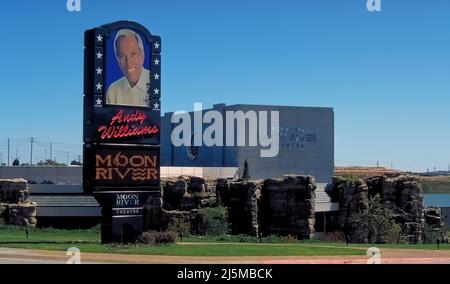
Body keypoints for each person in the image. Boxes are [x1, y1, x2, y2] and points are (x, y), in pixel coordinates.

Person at [106, 29, 150, 107]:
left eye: (133, 54)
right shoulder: (113, 91)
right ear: (118, 60)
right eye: (122, 56)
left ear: (142, 56)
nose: (128, 63)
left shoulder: (154, 82)